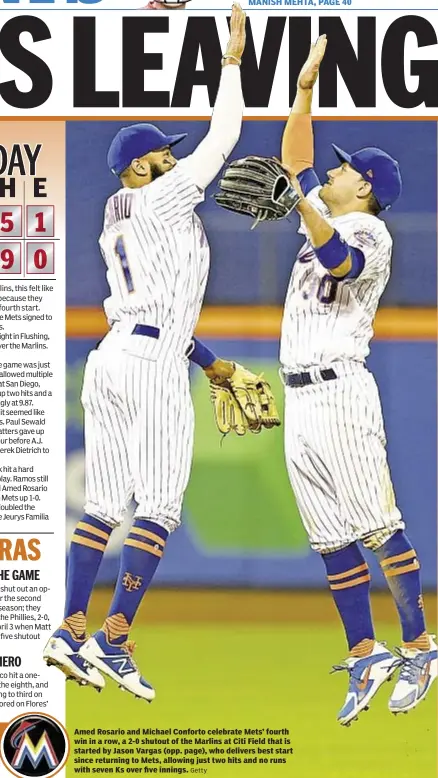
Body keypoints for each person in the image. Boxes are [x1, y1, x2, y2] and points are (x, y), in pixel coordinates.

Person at [43, 3, 246, 702]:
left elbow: (161, 309)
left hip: (115, 357)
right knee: (158, 508)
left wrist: (211, 362)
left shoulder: (117, 212)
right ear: (140, 166)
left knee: (102, 506)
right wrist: (229, 64)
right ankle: (113, 637)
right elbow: (225, 139)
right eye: (163, 149)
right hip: (148, 364)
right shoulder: (159, 199)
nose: (173, 154)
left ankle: (70, 632)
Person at [279, 35, 437, 726]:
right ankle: (366, 650)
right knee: (329, 538)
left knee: (378, 526)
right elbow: (295, 161)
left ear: (363, 187)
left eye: (343, 172)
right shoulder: (327, 209)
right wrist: (305, 89)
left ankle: (421, 645)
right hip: (299, 396)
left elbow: (338, 260)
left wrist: (304, 203)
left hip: (342, 390)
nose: (331, 175)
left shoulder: (371, 234)